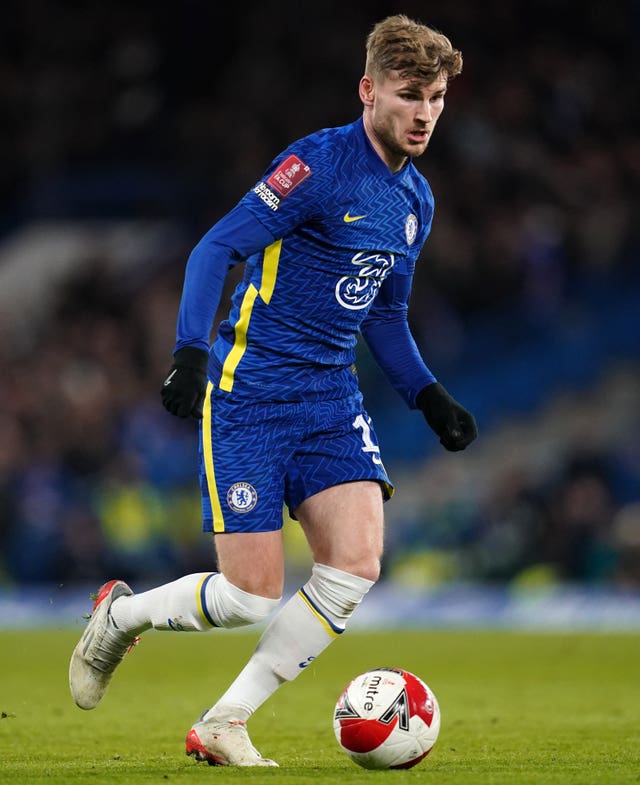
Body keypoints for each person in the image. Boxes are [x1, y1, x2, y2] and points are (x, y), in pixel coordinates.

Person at [69, 14, 477, 767]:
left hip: (329, 397)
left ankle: (224, 721)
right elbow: (216, 246)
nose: (425, 112)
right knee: (249, 597)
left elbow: (384, 313)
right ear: (369, 90)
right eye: (410, 93)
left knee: (355, 563)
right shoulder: (316, 166)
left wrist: (428, 394)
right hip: (250, 390)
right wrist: (191, 354)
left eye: (438, 97)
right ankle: (120, 614)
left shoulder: (416, 201)